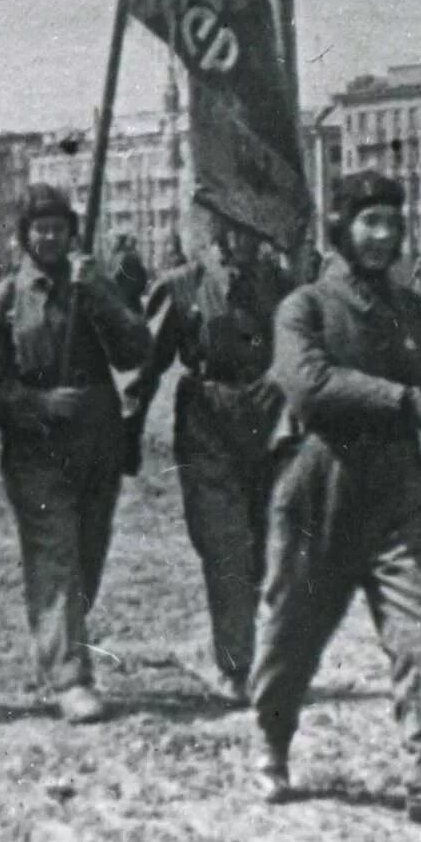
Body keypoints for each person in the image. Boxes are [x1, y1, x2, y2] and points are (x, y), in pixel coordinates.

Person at [251, 170, 421, 832]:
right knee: (290, 635)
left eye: (392, 222)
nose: (383, 235)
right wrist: (400, 400)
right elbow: (308, 386)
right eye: (369, 221)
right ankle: (272, 742)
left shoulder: (415, 314)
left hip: (399, 495)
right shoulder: (303, 307)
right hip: (317, 489)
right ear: (340, 226)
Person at [0, 185, 152, 724]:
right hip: (36, 450)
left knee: (87, 555)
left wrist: (106, 299)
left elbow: (137, 350)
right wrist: (37, 404)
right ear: (24, 237)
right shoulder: (0, 303)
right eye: (40, 229)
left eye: (59, 228)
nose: (50, 237)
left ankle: (56, 649)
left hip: (97, 441)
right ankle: (70, 675)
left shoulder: (92, 288)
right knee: (55, 557)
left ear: (72, 233)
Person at [123, 214, 288, 703]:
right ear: (217, 228)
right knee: (224, 543)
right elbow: (144, 365)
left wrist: (281, 376)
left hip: (269, 420)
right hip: (206, 422)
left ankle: (244, 645)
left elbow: (306, 346)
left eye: (254, 228)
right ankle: (237, 665)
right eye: (236, 228)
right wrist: (127, 432)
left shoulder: (282, 285)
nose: (246, 238)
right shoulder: (182, 286)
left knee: (263, 546)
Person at [109, 231, 150, 312]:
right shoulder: (133, 256)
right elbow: (143, 277)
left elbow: (114, 278)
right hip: (133, 300)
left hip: (123, 301)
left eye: (114, 241)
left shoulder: (120, 257)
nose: (112, 244)